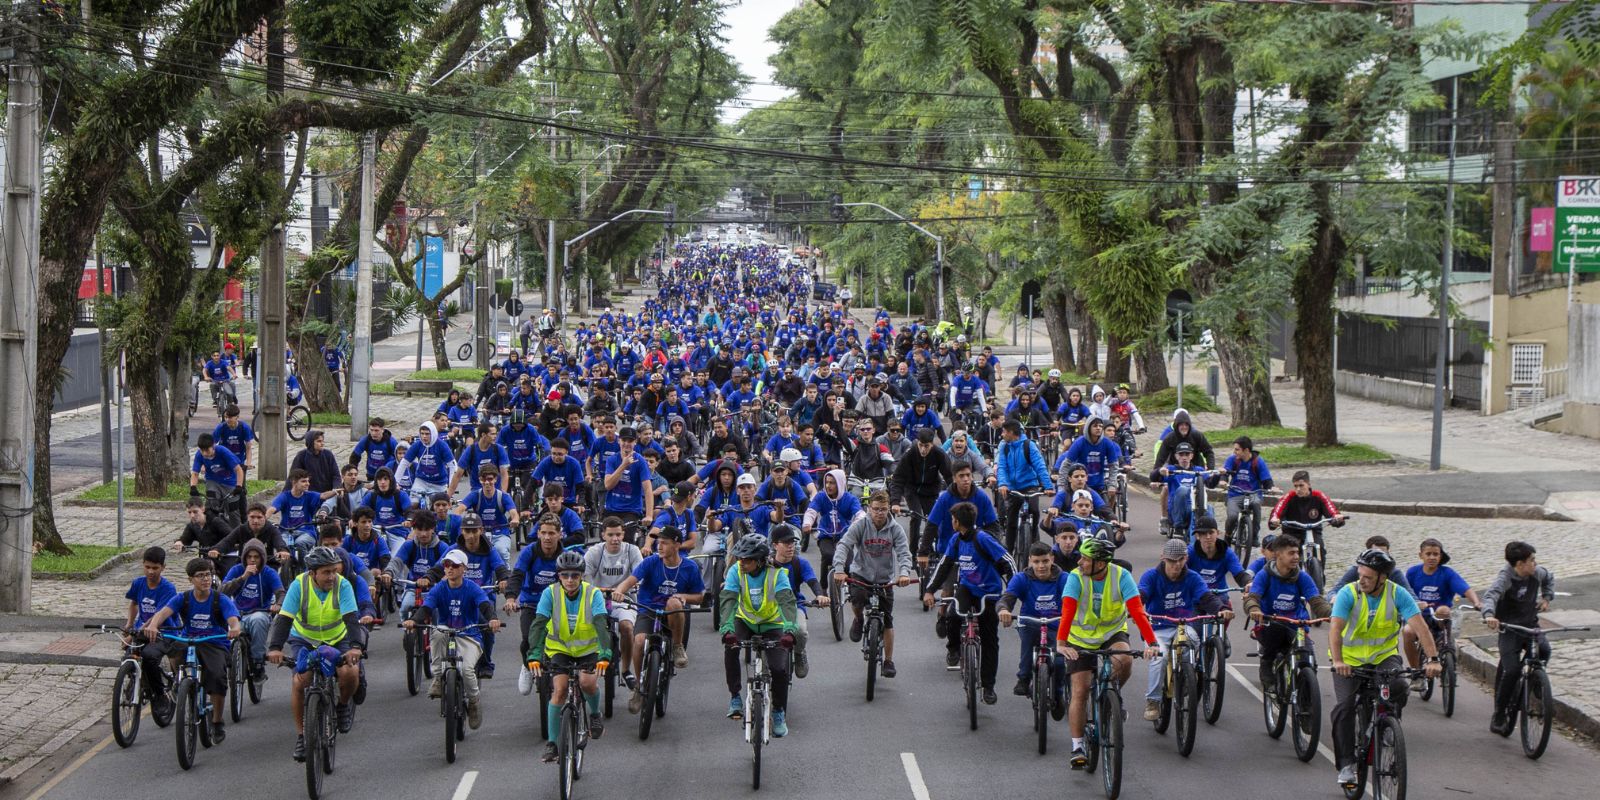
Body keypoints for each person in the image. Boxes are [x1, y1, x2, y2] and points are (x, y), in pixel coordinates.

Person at [1329, 548, 1441, 788]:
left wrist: (1433, 659)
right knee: (1344, 708)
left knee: (1399, 685)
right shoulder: (1349, 593)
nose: (1362, 581)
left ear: (1382, 578)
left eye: (1368, 577)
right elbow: (1335, 630)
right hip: (1349, 660)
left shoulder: (1398, 594)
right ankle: (1347, 765)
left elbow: (1420, 627)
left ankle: (1388, 720)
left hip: (1383, 656)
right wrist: (1338, 661)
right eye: (1360, 575)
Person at [1054, 538, 1160, 768]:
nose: (1079, 562)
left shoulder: (1121, 576)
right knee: (1080, 690)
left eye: (1085, 559)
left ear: (1101, 564)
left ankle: (1111, 695)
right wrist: (1061, 643)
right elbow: (1068, 611)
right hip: (1080, 638)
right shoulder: (1075, 577)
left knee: (1125, 659)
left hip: (1112, 632)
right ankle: (1077, 746)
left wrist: (1152, 642)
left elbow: (1137, 611)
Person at [269, 546, 368, 758]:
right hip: (304, 639)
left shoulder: (343, 585)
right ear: (313, 572)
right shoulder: (299, 585)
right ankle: (302, 736)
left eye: (334, 571)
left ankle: (343, 705)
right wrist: (275, 648)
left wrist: (355, 647)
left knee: (350, 672)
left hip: (338, 638)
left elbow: (351, 619)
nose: (332, 576)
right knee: (300, 681)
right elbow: (284, 619)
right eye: (326, 572)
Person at [143, 557, 241, 743]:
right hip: (188, 640)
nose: (205, 579)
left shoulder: (220, 599)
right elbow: (162, 613)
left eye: (208, 575)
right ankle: (178, 679)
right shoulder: (184, 598)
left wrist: (235, 628)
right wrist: (154, 625)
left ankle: (217, 721)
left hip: (213, 642)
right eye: (200, 576)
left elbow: (233, 619)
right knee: (173, 648)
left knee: (217, 677)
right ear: (190, 579)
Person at [922, 502, 1016, 696]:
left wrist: (1011, 593)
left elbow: (1008, 561)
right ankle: (954, 649)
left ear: (957, 522)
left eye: (952, 519)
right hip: (967, 589)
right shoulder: (956, 539)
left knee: (990, 639)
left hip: (989, 592)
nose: (952, 522)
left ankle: (988, 687)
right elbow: (944, 565)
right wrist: (929, 590)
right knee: (953, 615)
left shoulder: (983, 539)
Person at [527, 550, 612, 761]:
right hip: (560, 649)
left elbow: (601, 624)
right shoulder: (550, 593)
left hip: (588, 650)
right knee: (560, 690)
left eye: (575, 575)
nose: (570, 580)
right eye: (565, 575)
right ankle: (552, 744)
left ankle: (594, 714)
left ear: (582, 576)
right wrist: (534, 655)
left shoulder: (593, 594)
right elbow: (539, 625)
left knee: (587, 683)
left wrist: (604, 654)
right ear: (559, 576)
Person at [609, 525, 705, 712]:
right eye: (658, 543)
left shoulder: (689, 567)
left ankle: (677, 646)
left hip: (673, 615)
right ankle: (639, 686)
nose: (659, 547)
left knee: (674, 602)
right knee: (639, 641)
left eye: (664, 543)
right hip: (649, 609)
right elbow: (630, 581)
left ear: (677, 545)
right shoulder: (651, 562)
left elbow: (700, 596)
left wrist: (684, 597)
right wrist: (619, 591)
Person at [405, 549, 502, 730]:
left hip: (469, 635)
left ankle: (474, 701)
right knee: (437, 633)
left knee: (466, 670)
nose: (450, 568)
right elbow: (427, 607)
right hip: (446, 632)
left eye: (455, 565)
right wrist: (414, 620)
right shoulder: (439, 588)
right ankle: (437, 677)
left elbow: (485, 605)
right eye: (447, 564)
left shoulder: (472, 588)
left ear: (464, 568)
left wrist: (493, 619)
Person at [718, 533, 800, 737]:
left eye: (747, 560)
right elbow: (728, 600)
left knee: (779, 668)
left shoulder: (778, 574)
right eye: (740, 558)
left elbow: (787, 602)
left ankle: (778, 711)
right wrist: (727, 629)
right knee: (731, 649)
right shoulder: (735, 571)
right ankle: (735, 697)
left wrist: (790, 630)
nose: (741, 563)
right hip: (745, 620)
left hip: (772, 623)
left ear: (760, 560)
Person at [1137, 539, 1226, 720]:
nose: (1176, 565)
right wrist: (1135, 609)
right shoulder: (1151, 576)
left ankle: (1186, 677)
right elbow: (1141, 595)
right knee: (1159, 657)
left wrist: (1221, 609)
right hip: (1157, 628)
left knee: (1192, 645)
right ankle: (1153, 700)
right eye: (1172, 560)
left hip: (1183, 625)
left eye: (1180, 560)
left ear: (1186, 558)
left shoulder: (1193, 577)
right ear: (1163, 558)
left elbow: (1206, 597)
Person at [830, 492, 915, 676]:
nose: (879, 513)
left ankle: (888, 661)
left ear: (888, 509)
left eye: (883, 509)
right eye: (875, 509)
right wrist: (839, 569)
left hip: (884, 579)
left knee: (888, 620)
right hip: (861, 574)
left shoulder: (895, 529)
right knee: (857, 599)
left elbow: (904, 553)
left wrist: (904, 573)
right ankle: (859, 619)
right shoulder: (860, 525)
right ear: (869, 509)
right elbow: (844, 545)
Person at [1479, 540, 1556, 736]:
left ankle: (1536, 682)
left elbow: (1549, 577)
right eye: (1532, 560)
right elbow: (1490, 596)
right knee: (1512, 670)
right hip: (1510, 628)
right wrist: (1489, 615)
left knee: (1545, 650)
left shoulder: (1537, 572)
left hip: (1530, 625)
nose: (1535, 563)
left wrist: (1546, 598)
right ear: (1520, 564)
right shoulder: (1505, 578)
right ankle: (1499, 715)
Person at [1243, 534, 1333, 694]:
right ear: (1278, 554)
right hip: (1270, 624)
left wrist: (1333, 615)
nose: (1297, 557)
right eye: (1291, 553)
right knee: (1271, 648)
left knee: (1308, 659)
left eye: (1297, 552)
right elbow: (1252, 598)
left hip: (1297, 626)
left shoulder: (1302, 577)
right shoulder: (1264, 575)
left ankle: (1306, 697)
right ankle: (1267, 668)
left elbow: (1317, 601)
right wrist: (1255, 610)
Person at [1401, 538, 1482, 680]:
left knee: (1443, 610)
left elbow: (1465, 589)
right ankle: (1416, 672)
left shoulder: (1447, 573)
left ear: (1440, 556)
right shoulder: (1413, 572)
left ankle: (1444, 643)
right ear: (1421, 555)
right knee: (1407, 632)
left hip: (1438, 617)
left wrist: (1477, 602)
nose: (1432, 557)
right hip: (1418, 616)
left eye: (1436, 554)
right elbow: (1404, 592)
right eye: (1428, 554)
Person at [508, 516, 570, 695]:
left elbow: (574, 582)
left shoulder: (565, 555)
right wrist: (511, 598)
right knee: (528, 640)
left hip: (557, 604)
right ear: (538, 534)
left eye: (551, 533)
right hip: (531, 602)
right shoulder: (530, 552)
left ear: (559, 534)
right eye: (543, 533)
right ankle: (527, 666)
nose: (547, 537)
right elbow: (518, 574)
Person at [999, 542, 1069, 699]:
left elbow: (1075, 600)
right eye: (1036, 562)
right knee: (1028, 645)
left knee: (1059, 663)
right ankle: (1024, 678)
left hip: (1056, 624)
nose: (1041, 566)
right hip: (1030, 622)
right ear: (1030, 560)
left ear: (1052, 559)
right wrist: (1004, 609)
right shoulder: (1021, 578)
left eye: (1045, 561)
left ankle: (1059, 694)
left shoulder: (1064, 578)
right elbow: (1007, 598)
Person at [584, 518, 643, 686]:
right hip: (598, 599)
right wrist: (595, 590)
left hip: (625, 598)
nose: (615, 539)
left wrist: (625, 589)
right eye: (610, 535)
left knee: (627, 627)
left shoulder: (632, 551)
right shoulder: (594, 552)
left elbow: (640, 575)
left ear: (623, 534)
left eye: (618, 534)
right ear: (603, 535)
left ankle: (626, 670)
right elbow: (585, 577)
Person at [126, 546, 181, 717]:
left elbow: (158, 615)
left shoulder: (168, 588)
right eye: (147, 567)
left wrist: (136, 632)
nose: (150, 571)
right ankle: (136, 680)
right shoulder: (138, 583)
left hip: (164, 631)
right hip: (142, 629)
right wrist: (129, 626)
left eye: (155, 568)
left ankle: (159, 694)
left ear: (163, 567)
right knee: (129, 655)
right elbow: (134, 603)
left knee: (149, 656)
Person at [769, 524, 826, 679]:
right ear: (775, 545)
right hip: (768, 607)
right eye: (786, 543)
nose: (791, 546)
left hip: (795, 605)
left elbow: (812, 581)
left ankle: (799, 653)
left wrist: (820, 595)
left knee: (800, 630)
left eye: (792, 542)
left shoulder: (800, 563)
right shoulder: (766, 563)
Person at [221, 540, 284, 674]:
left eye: (256, 557)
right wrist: (243, 577)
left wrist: (278, 604)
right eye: (249, 557)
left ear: (262, 558)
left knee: (258, 620)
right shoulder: (237, 570)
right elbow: (222, 592)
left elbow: (281, 592)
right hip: (237, 614)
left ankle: (258, 662)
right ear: (244, 558)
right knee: (228, 636)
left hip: (260, 612)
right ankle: (230, 665)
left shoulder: (269, 572)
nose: (252, 560)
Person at [995, 420, 1052, 555]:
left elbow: (1040, 466)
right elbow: (1002, 467)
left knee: (1034, 510)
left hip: (1029, 485)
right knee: (1011, 520)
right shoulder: (1005, 447)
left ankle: (1034, 539)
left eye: (1004, 432)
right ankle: (1008, 553)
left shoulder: (1029, 446)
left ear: (1011, 432)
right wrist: (1003, 484)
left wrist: (1048, 486)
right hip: (1013, 487)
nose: (1002, 434)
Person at [1220, 436, 1273, 545]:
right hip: (1235, 494)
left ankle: (1254, 535)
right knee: (1232, 517)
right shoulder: (1233, 459)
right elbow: (1225, 472)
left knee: (1256, 506)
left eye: (1237, 449)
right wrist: (1223, 481)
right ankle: (1228, 536)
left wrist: (1271, 488)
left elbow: (1267, 480)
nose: (1234, 452)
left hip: (1253, 494)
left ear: (1246, 450)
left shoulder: (1258, 462)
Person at [189, 433, 244, 509]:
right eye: (202, 450)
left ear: (213, 446)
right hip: (212, 481)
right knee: (212, 503)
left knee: (232, 508)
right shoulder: (199, 455)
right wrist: (193, 487)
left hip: (229, 481)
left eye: (207, 450)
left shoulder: (223, 452)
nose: (204, 453)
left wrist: (239, 486)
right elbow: (195, 473)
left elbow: (238, 469)